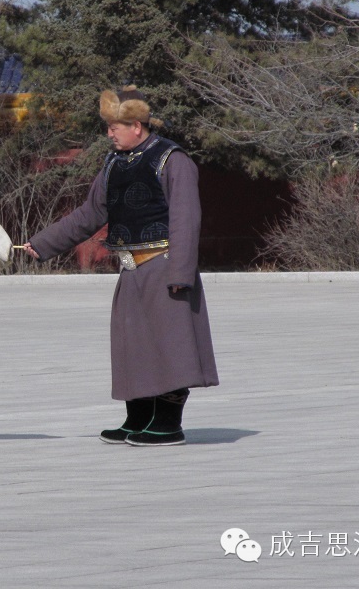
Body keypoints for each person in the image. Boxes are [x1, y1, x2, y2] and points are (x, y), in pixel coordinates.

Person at [21, 86, 218, 446]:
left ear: (137, 125)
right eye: (109, 125)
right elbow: (90, 214)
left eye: (115, 126)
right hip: (130, 271)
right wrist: (42, 244)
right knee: (134, 349)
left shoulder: (173, 161)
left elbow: (186, 220)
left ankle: (168, 423)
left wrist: (180, 274)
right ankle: (138, 418)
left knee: (168, 346)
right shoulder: (114, 164)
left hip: (164, 267)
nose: (109, 133)